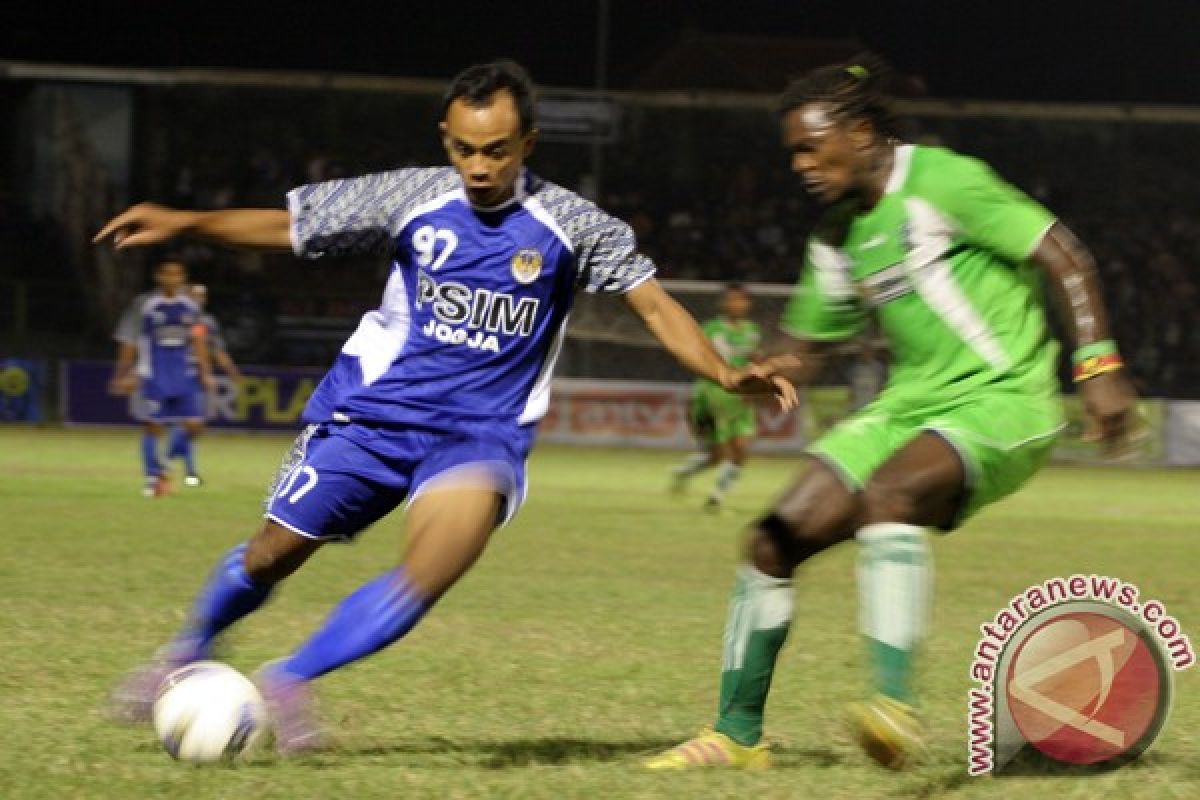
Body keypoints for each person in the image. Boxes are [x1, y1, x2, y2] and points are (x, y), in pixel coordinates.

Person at [94, 60, 794, 754]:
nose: (480, 165)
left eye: (496, 150)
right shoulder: (411, 198)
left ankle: (291, 677)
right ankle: (182, 652)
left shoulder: (573, 226)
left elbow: (653, 305)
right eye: (464, 148)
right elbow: (291, 227)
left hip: (480, 437)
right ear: (445, 139)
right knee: (271, 555)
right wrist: (186, 221)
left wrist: (725, 374)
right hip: (371, 417)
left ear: (528, 144)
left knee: (429, 571)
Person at [646, 54, 1139, 771]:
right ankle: (736, 736)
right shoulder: (838, 234)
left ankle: (893, 709)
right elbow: (807, 341)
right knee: (771, 542)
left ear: (863, 130)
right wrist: (763, 370)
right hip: (909, 408)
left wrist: (1099, 364)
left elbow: (1063, 254)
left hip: (1003, 399)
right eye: (793, 153)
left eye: (812, 146)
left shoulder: (944, 179)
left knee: (890, 494)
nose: (801, 164)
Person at [110, 259, 215, 496]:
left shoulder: (191, 307)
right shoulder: (144, 304)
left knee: (195, 425)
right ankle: (151, 478)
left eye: (177, 274)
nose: (172, 279)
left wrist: (205, 373)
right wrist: (123, 373)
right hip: (154, 376)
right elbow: (129, 340)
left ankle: (164, 464)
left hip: (185, 376)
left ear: (183, 277)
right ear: (158, 276)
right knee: (153, 427)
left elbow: (199, 340)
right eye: (167, 274)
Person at [671, 283, 763, 510]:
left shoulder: (752, 331)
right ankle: (686, 474)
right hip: (714, 394)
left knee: (740, 451)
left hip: (741, 397)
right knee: (720, 454)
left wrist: (756, 385)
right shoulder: (712, 329)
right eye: (731, 299)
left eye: (741, 300)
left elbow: (753, 361)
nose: (736, 304)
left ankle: (715, 497)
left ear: (748, 304)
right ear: (723, 303)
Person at [165, 282, 244, 486]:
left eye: (203, 295)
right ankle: (182, 469)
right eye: (196, 295)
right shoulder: (174, 317)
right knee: (188, 423)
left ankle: (174, 466)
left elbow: (217, 350)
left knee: (189, 425)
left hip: (194, 377)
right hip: (175, 376)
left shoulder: (207, 322)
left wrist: (232, 372)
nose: (200, 299)